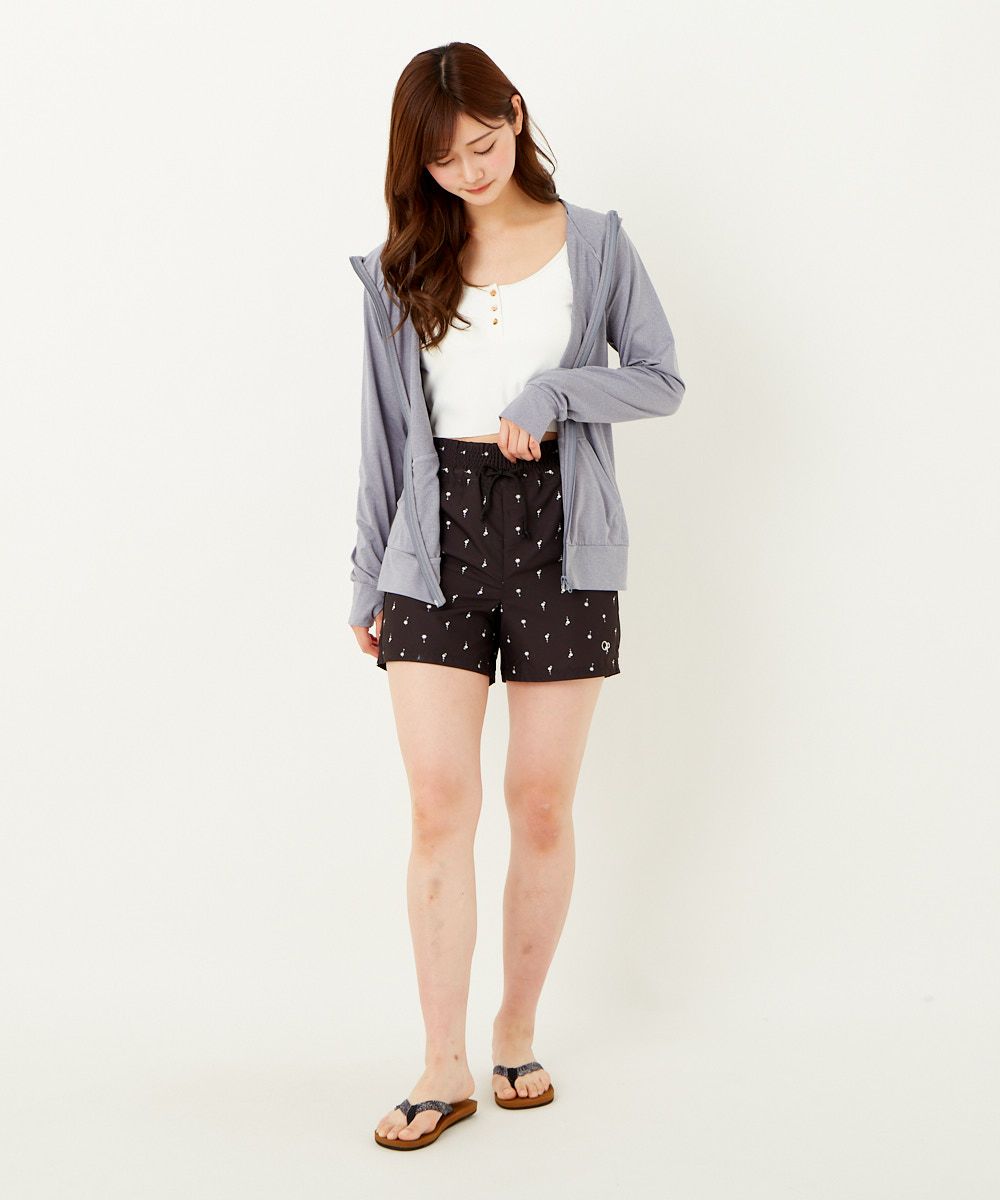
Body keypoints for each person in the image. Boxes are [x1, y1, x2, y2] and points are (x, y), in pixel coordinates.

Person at [348, 42, 686, 1150]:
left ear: (517, 116)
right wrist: (366, 573)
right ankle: (441, 1062)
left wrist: (554, 392)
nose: (469, 171)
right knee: (438, 806)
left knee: (540, 804)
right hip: (431, 538)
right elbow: (383, 433)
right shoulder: (404, 266)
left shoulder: (597, 242)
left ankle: (515, 1032)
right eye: (443, 160)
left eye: (483, 145)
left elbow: (660, 378)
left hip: (560, 536)